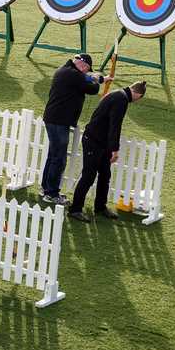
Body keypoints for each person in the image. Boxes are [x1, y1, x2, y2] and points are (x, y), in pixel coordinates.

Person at [69, 80, 147, 223]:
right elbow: (115, 126)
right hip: (94, 141)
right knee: (88, 176)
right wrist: (115, 150)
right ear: (138, 95)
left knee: (105, 174)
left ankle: (100, 206)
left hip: (100, 141)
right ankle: (75, 209)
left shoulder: (118, 94)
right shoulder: (121, 100)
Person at [40, 53, 111, 206]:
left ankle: (46, 188)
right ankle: (51, 193)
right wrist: (98, 81)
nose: (86, 72)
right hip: (59, 121)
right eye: (86, 70)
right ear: (83, 65)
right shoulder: (73, 75)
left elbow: (85, 79)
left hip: (54, 119)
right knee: (58, 158)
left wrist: (98, 78)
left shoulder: (65, 70)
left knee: (53, 155)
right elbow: (92, 89)